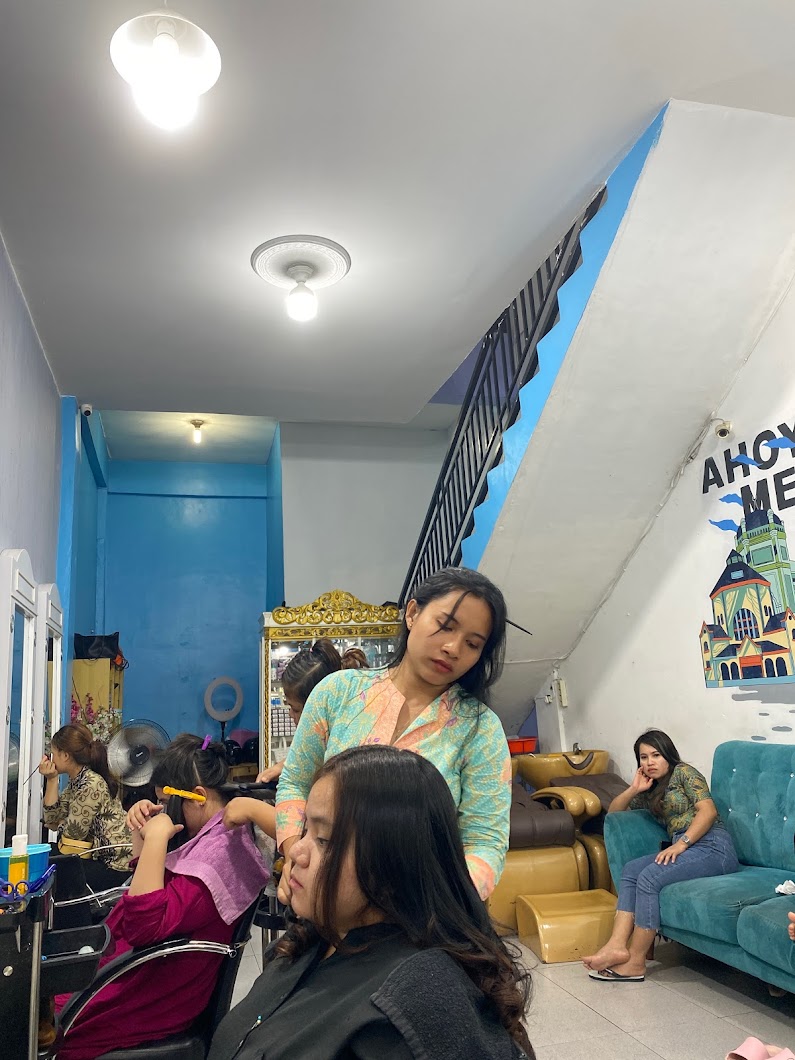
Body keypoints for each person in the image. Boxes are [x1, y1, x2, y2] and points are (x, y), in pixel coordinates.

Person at [209, 745, 534, 1060]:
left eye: (324, 840)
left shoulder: (414, 1006)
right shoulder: (317, 936)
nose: (296, 851)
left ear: (391, 864)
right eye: (306, 829)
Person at [275, 567, 512, 903]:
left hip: (420, 916)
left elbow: (485, 841)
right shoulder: (337, 693)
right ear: (412, 613)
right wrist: (295, 855)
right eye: (446, 626)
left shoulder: (479, 729)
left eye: (472, 643)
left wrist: (442, 907)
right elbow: (295, 784)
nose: (453, 648)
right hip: (324, 900)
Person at [55, 734, 271, 1060]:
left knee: (40, 1022)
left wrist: (157, 837)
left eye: (167, 803)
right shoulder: (209, 834)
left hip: (152, 995)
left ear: (198, 797)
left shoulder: (218, 855)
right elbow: (144, 887)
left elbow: (143, 926)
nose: (163, 811)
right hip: (142, 972)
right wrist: (142, 835)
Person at [584, 729, 740, 982]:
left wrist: (682, 844)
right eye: (643, 757)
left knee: (649, 877)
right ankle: (616, 946)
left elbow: (708, 811)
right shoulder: (650, 790)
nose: (650, 762)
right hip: (690, 848)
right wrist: (634, 789)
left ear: (668, 754)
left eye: (656, 755)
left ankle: (636, 962)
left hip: (713, 846)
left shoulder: (684, 772)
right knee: (632, 870)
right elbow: (614, 814)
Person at [257, 638, 368, 784]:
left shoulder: (348, 752)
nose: (290, 714)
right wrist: (286, 765)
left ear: (319, 707)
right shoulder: (321, 743)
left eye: (296, 709)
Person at [40, 722, 132, 890]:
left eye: (53, 754)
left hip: (114, 865)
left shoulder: (90, 784)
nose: (51, 759)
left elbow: (72, 838)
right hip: (96, 856)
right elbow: (51, 818)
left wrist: (60, 824)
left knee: (51, 870)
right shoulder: (77, 781)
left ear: (65, 755)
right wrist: (52, 780)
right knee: (45, 854)